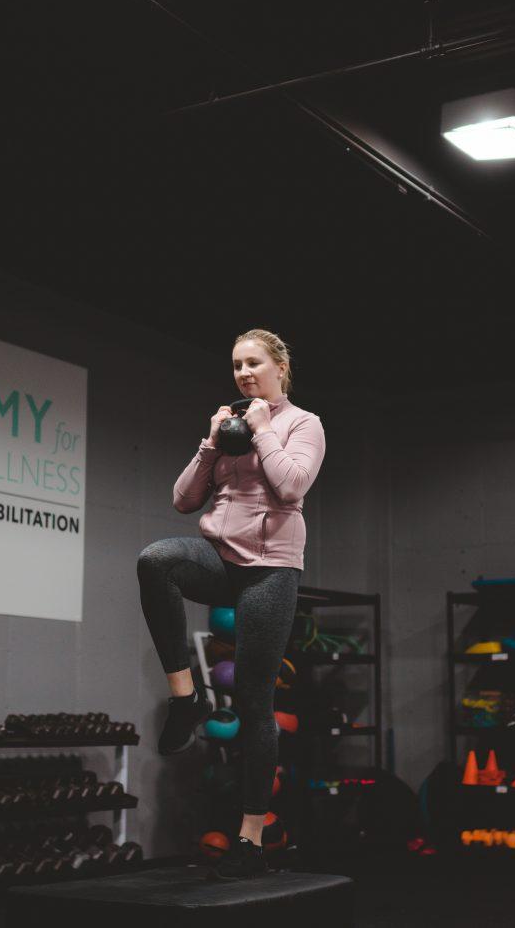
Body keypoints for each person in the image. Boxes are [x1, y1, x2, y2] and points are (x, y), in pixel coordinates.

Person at [137, 329, 325, 879]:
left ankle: (250, 836)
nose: (244, 373)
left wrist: (265, 431)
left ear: (279, 368)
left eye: (254, 363)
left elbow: (291, 488)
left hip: (269, 571)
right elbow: (182, 500)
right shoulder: (228, 427)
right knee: (156, 560)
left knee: (253, 701)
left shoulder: (301, 424)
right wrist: (211, 442)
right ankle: (185, 698)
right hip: (220, 556)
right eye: (238, 365)